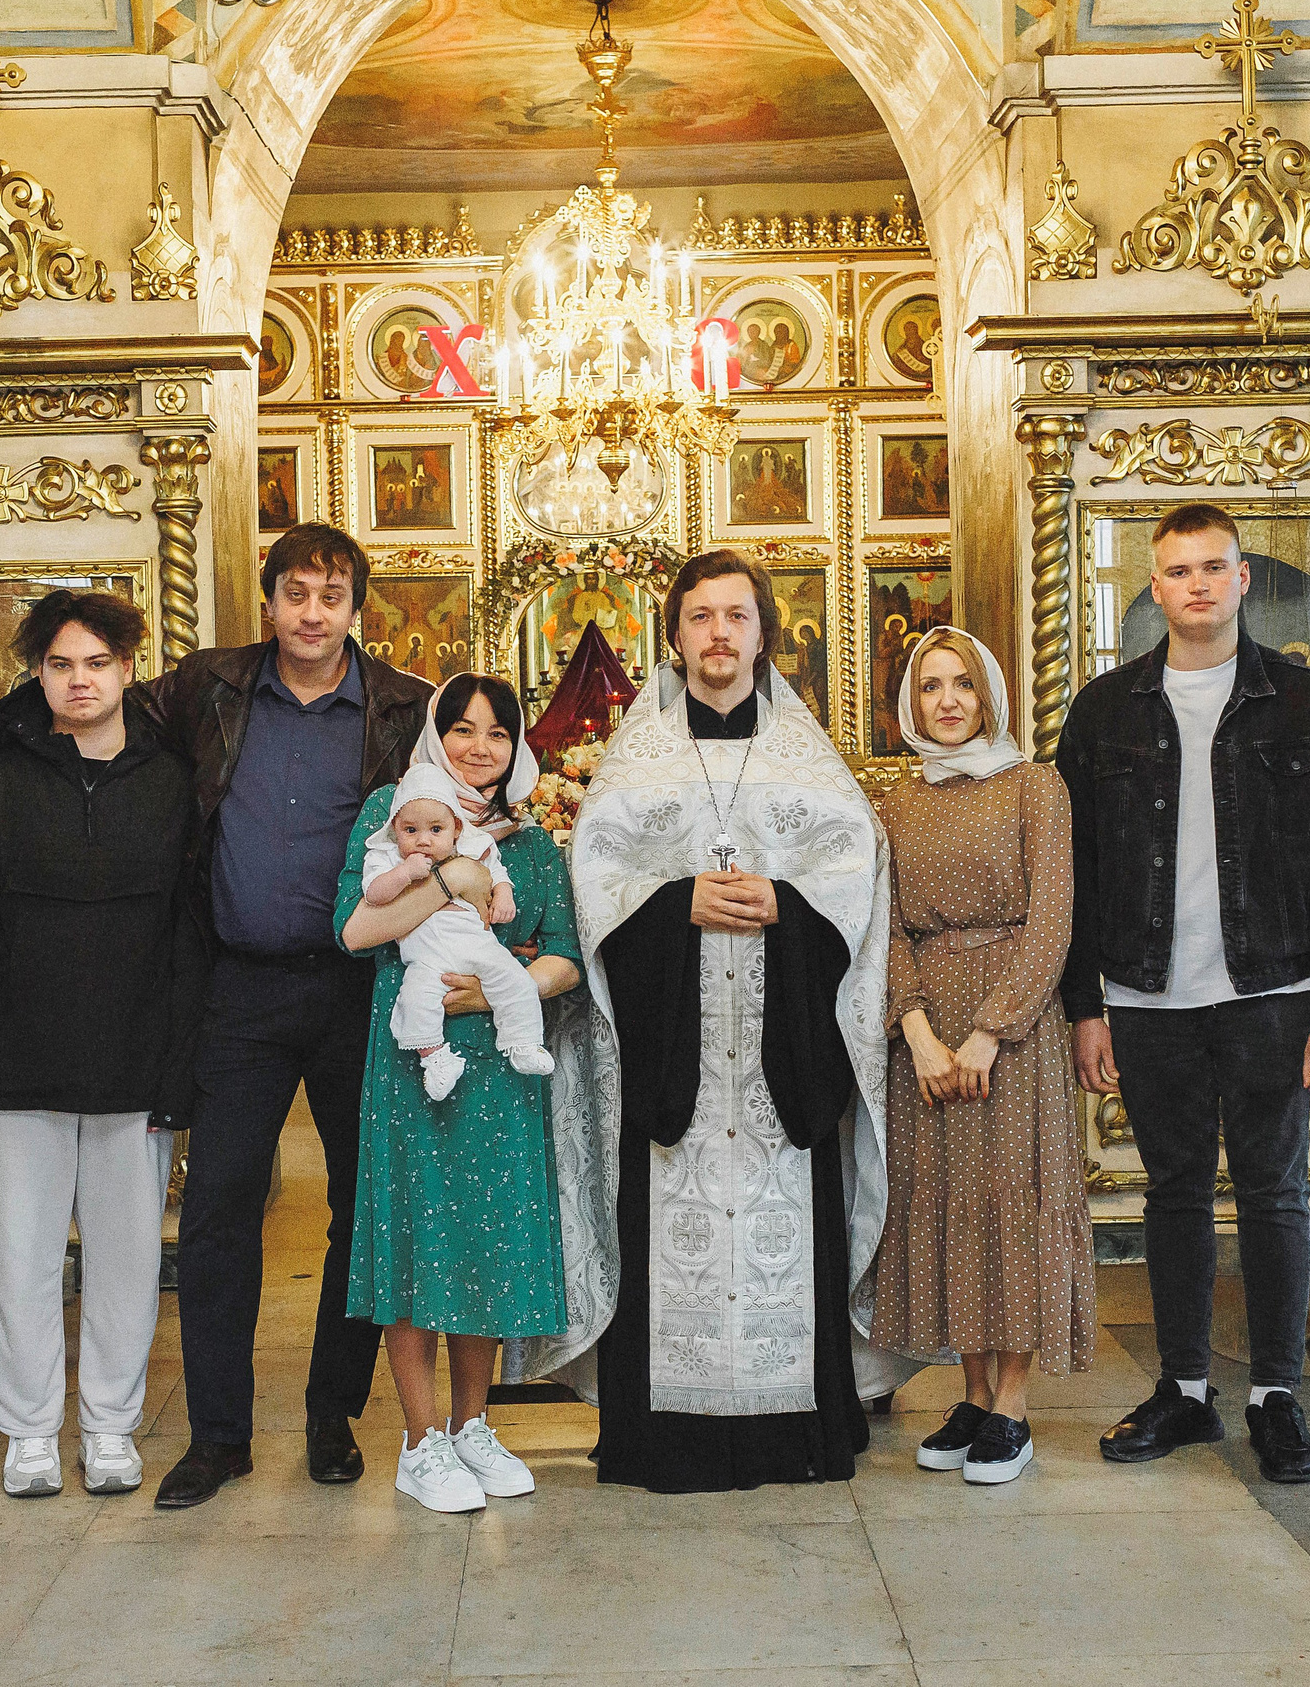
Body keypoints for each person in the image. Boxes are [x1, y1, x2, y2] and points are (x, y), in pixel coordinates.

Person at [0, 522, 431, 1509]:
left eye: (331, 596)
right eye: (295, 593)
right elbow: (74, 692)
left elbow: (468, 785)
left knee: (359, 1207)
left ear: (354, 607)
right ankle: (218, 1436)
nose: (312, 614)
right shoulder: (207, 686)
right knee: (214, 1214)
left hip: (355, 986)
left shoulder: (403, 709)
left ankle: (332, 1415)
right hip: (236, 986)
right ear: (272, 601)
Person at [521, 547, 903, 1492]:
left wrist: (787, 904)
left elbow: (855, 879)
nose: (720, 633)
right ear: (675, 633)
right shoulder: (635, 762)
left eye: (737, 615)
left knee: (787, 1232)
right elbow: (598, 886)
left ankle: (799, 1435)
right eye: (701, 617)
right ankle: (665, 1439)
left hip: (782, 1057)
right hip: (673, 1058)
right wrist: (673, 904)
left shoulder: (807, 764)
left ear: (765, 633)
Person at [1056, 501, 1310, 1486]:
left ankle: (1276, 1395)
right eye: (1177, 570)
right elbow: (1075, 866)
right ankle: (1185, 1391)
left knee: (1275, 1194)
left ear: (1242, 580)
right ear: (1155, 588)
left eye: (1212, 567)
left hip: (1272, 990)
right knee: (1174, 1194)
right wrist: (1083, 1005)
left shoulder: (1309, 707)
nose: (1195, 584)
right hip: (1145, 994)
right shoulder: (1104, 709)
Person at [0, 590, 206, 1501]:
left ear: (128, 669)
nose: (79, 681)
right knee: (21, 1253)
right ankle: (31, 1431)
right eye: (59, 665)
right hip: (14, 1054)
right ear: (36, 674)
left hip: (134, 1051)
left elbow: (188, 930)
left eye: (97, 663)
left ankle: (112, 1428)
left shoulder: (172, 776)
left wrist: (182, 1060)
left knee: (127, 1257)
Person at [337, 676, 581, 1512]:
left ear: (518, 746)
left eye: (498, 733)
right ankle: (420, 1440)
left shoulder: (534, 842)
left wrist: (495, 991)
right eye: (462, 729)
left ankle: (472, 1425)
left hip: (501, 1065)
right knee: (418, 1236)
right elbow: (356, 930)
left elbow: (566, 956)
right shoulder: (396, 815)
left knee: (484, 1237)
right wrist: (448, 881)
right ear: (436, 737)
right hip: (412, 1061)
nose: (480, 746)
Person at [863, 627, 1094, 1486]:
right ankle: (969, 1390)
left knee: (1012, 1199)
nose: (949, 700)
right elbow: (879, 923)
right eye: (931, 686)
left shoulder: (1036, 786)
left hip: (1014, 1024)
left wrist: (992, 1030)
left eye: (964, 683)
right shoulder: (894, 801)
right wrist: (917, 1031)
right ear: (910, 703)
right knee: (947, 1200)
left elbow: (1054, 919)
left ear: (990, 694)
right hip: (926, 1023)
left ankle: (1014, 1406)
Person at [356, 760, 553, 1101]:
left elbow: (498, 872)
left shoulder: (470, 848)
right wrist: (403, 874)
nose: (423, 841)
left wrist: (503, 895)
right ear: (394, 829)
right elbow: (373, 894)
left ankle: (522, 1042)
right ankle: (435, 1060)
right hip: (426, 957)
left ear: (455, 829)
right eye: (410, 830)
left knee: (517, 982)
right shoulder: (387, 857)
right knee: (415, 1002)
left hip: (477, 944)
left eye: (436, 830)